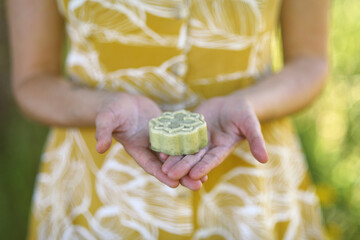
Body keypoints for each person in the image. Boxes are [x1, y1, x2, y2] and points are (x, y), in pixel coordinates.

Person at [7, 0, 329, 239]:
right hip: (96, 196)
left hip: (252, 190)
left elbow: (310, 60)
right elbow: (32, 81)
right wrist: (103, 106)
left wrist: (249, 104)